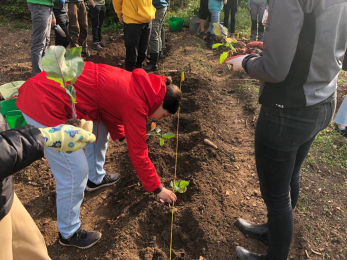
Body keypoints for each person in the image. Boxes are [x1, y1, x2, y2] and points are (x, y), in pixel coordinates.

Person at [225, 1, 347, 259]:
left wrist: (245, 63)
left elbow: (275, 70)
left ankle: (276, 255)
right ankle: (273, 231)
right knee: (291, 175)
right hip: (323, 100)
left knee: (276, 194)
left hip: (288, 109)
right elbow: (317, 41)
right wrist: (273, 48)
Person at [16, 62, 181, 249]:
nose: (160, 119)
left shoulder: (143, 86)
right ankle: (68, 233)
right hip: (42, 103)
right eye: (164, 115)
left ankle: (95, 178)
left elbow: (110, 111)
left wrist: (122, 134)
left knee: (100, 126)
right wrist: (158, 189)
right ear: (160, 103)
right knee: (75, 171)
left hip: (45, 88)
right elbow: (139, 154)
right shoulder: (137, 104)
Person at [0, 114, 95, 260]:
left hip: (5, 191)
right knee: (75, 171)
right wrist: (42, 137)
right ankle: (68, 234)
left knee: (34, 250)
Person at [113, 0, 155, 71]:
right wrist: (120, 14)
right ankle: (129, 77)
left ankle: (138, 74)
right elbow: (116, 1)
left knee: (142, 53)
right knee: (132, 55)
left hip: (148, 19)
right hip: (132, 21)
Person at [27, 0, 56, 76]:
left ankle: (44, 71)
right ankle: (38, 75)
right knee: (39, 42)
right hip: (39, 6)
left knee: (46, 40)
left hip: (47, 6)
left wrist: (52, 15)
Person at [144, 0, 168, 72]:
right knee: (158, 32)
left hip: (158, 8)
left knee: (153, 35)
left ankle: (153, 63)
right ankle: (158, 54)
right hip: (161, 7)